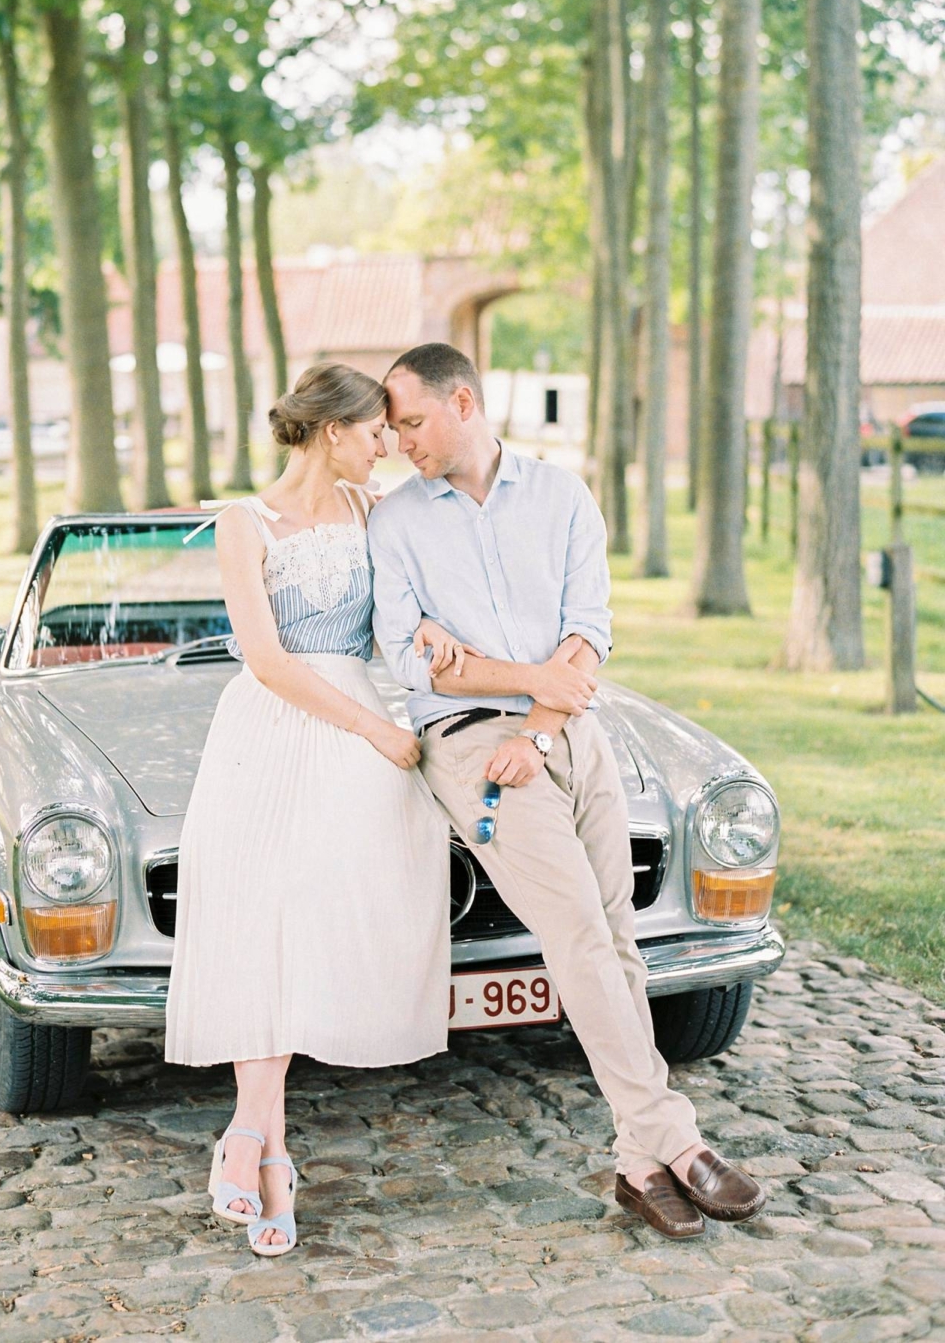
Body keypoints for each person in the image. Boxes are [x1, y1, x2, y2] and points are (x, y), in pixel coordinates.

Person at [368, 342, 766, 1240]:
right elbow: (409, 661)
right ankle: (680, 1140)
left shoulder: (563, 496)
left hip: (572, 739)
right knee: (579, 933)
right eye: (391, 429)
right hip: (471, 751)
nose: (400, 442)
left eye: (413, 422)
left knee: (617, 938)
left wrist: (533, 714)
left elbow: (590, 630)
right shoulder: (394, 525)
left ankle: (637, 1163)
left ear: (463, 402)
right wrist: (517, 689)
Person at [165, 363, 461, 1256]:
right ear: (333, 431)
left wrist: (429, 633)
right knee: (264, 924)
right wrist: (374, 727)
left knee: (319, 925)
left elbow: (392, 626)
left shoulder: (376, 516)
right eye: (377, 431)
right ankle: (272, 1152)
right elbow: (267, 659)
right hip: (276, 728)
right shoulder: (243, 524)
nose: (388, 445)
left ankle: (252, 1137)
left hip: (359, 738)